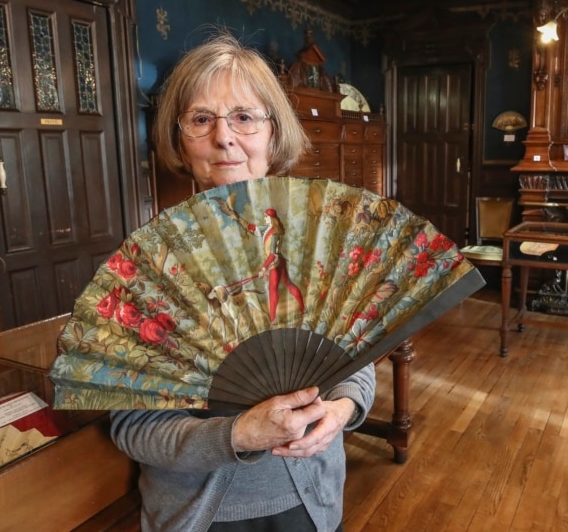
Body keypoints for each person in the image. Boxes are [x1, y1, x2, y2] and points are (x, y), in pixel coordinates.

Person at [111, 33, 376, 532]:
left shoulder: (321, 248)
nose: (224, 137)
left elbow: (358, 363)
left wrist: (342, 408)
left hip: (314, 502)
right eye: (201, 119)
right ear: (179, 138)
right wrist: (240, 433)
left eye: (244, 117)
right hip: (200, 516)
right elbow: (132, 428)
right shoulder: (145, 270)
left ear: (273, 134)